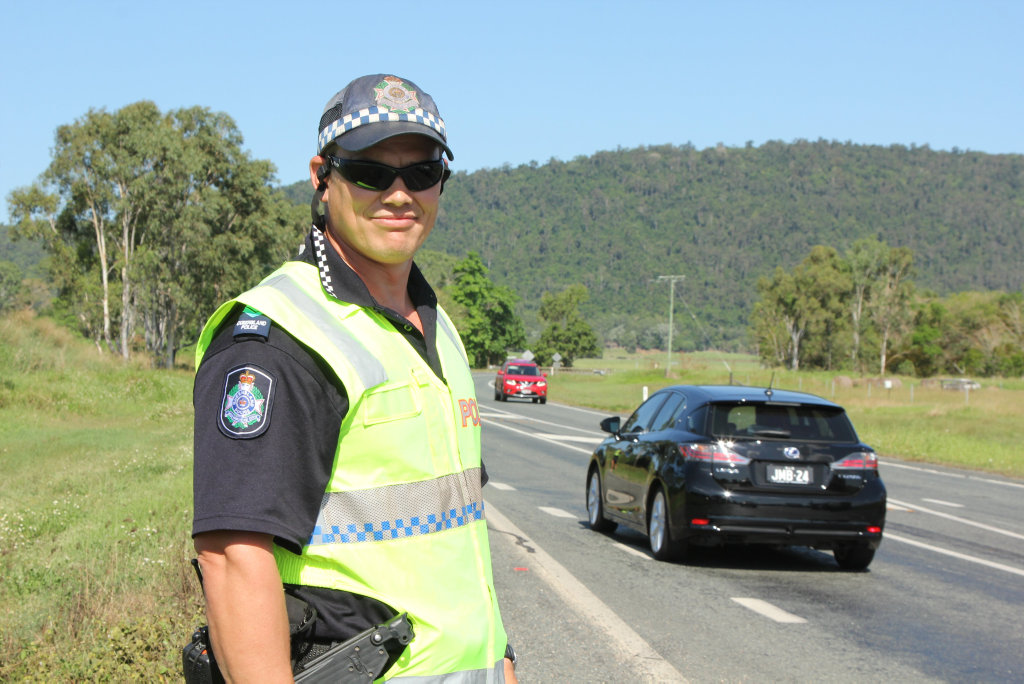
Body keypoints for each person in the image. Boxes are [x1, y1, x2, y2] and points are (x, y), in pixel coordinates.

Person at [191, 74, 517, 683]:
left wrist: (499, 658)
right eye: (370, 172)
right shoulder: (281, 338)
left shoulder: (437, 325)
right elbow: (235, 559)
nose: (399, 194)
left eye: (421, 173)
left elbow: (458, 535)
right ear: (322, 177)